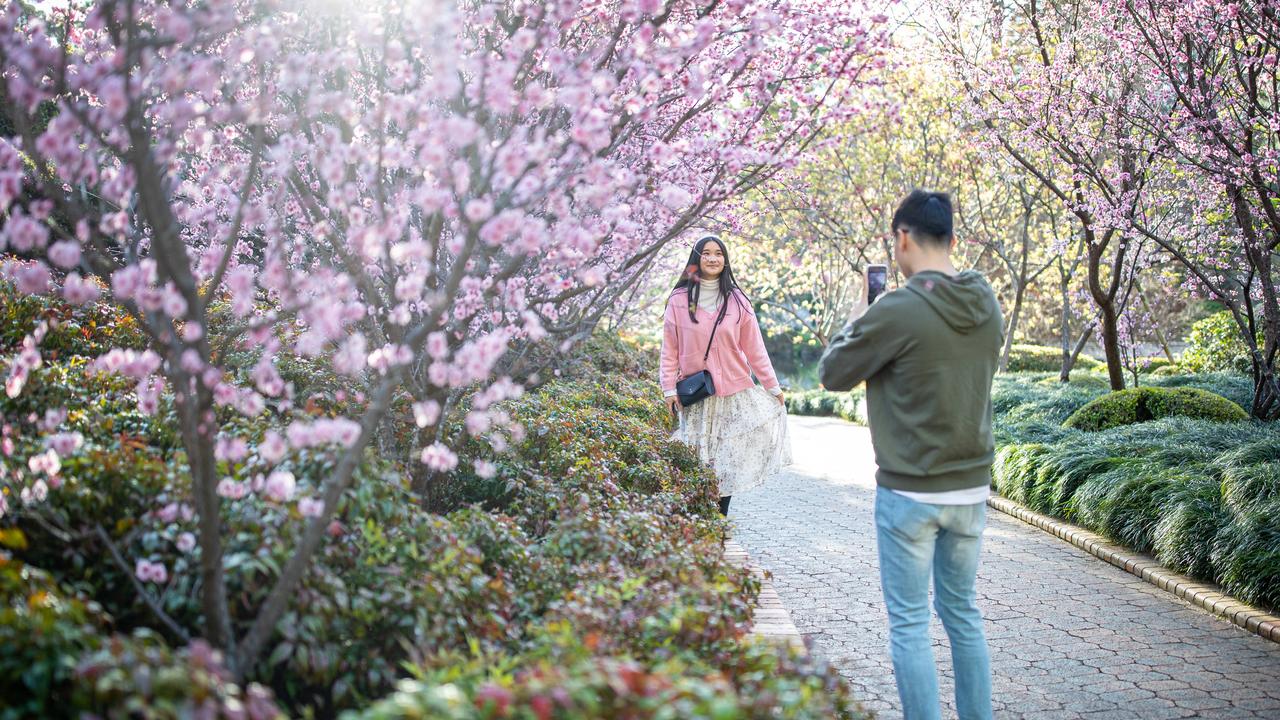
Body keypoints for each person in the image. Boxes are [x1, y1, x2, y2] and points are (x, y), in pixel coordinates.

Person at [819, 190, 1002, 720]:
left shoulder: (897, 309)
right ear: (952, 239)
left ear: (901, 238)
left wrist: (860, 317)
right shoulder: (985, 300)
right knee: (963, 615)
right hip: (971, 488)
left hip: (910, 491)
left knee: (908, 622)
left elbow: (834, 374)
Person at [660, 235, 792, 516]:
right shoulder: (680, 300)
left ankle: (718, 520)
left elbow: (755, 349)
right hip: (697, 395)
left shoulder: (738, 301)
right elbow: (669, 349)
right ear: (696, 259)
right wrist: (668, 389)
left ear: (725, 259)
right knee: (696, 460)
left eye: (718, 253)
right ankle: (695, 519)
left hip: (732, 393)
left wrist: (772, 386)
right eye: (706, 253)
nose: (712, 258)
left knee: (725, 461)